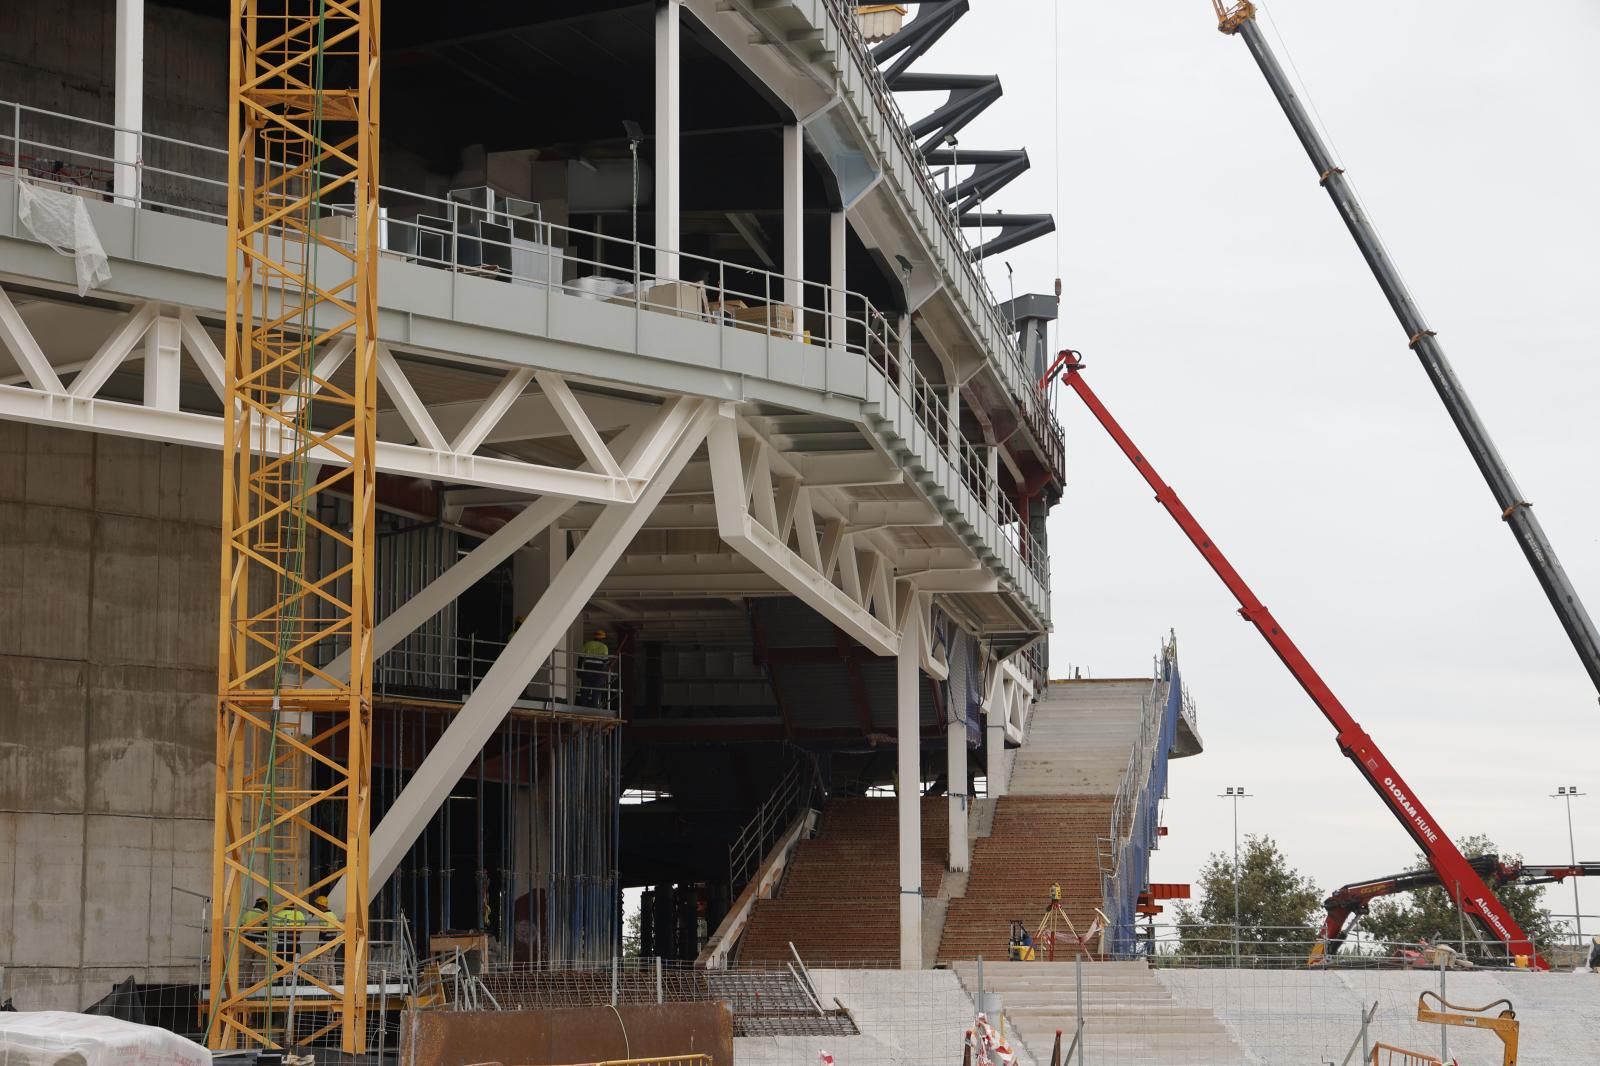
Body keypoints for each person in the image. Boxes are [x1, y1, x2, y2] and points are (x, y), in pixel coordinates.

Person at [578, 628, 610, 708]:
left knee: (585, 690)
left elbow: (581, 658)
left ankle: (583, 706)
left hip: (588, 670)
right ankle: (595, 706)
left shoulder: (587, 644)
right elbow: (605, 661)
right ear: (603, 638)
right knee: (596, 691)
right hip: (598, 672)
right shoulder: (604, 647)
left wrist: (579, 670)